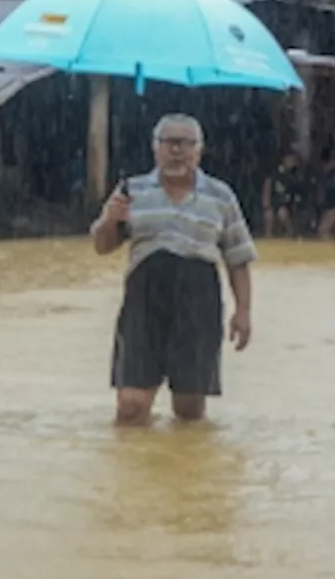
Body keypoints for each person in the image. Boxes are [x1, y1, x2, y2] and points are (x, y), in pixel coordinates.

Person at [89, 113, 257, 426]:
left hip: (198, 302)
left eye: (185, 143)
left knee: (189, 410)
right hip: (143, 301)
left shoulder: (221, 196)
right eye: (169, 142)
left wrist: (243, 311)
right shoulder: (131, 190)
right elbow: (103, 246)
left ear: (200, 149)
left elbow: (238, 257)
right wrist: (110, 220)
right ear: (156, 148)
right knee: (131, 406)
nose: (177, 150)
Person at [261, 150, 307, 237]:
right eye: (289, 159)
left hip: (287, 204)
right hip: (274, 202)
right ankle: (268, 237)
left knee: (282, 214)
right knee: (268, 216)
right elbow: (267, 186)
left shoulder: (296, 177)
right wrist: (266, 204)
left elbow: (298, 193)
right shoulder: (275, 173)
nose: (291, 162)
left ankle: (290, 233)